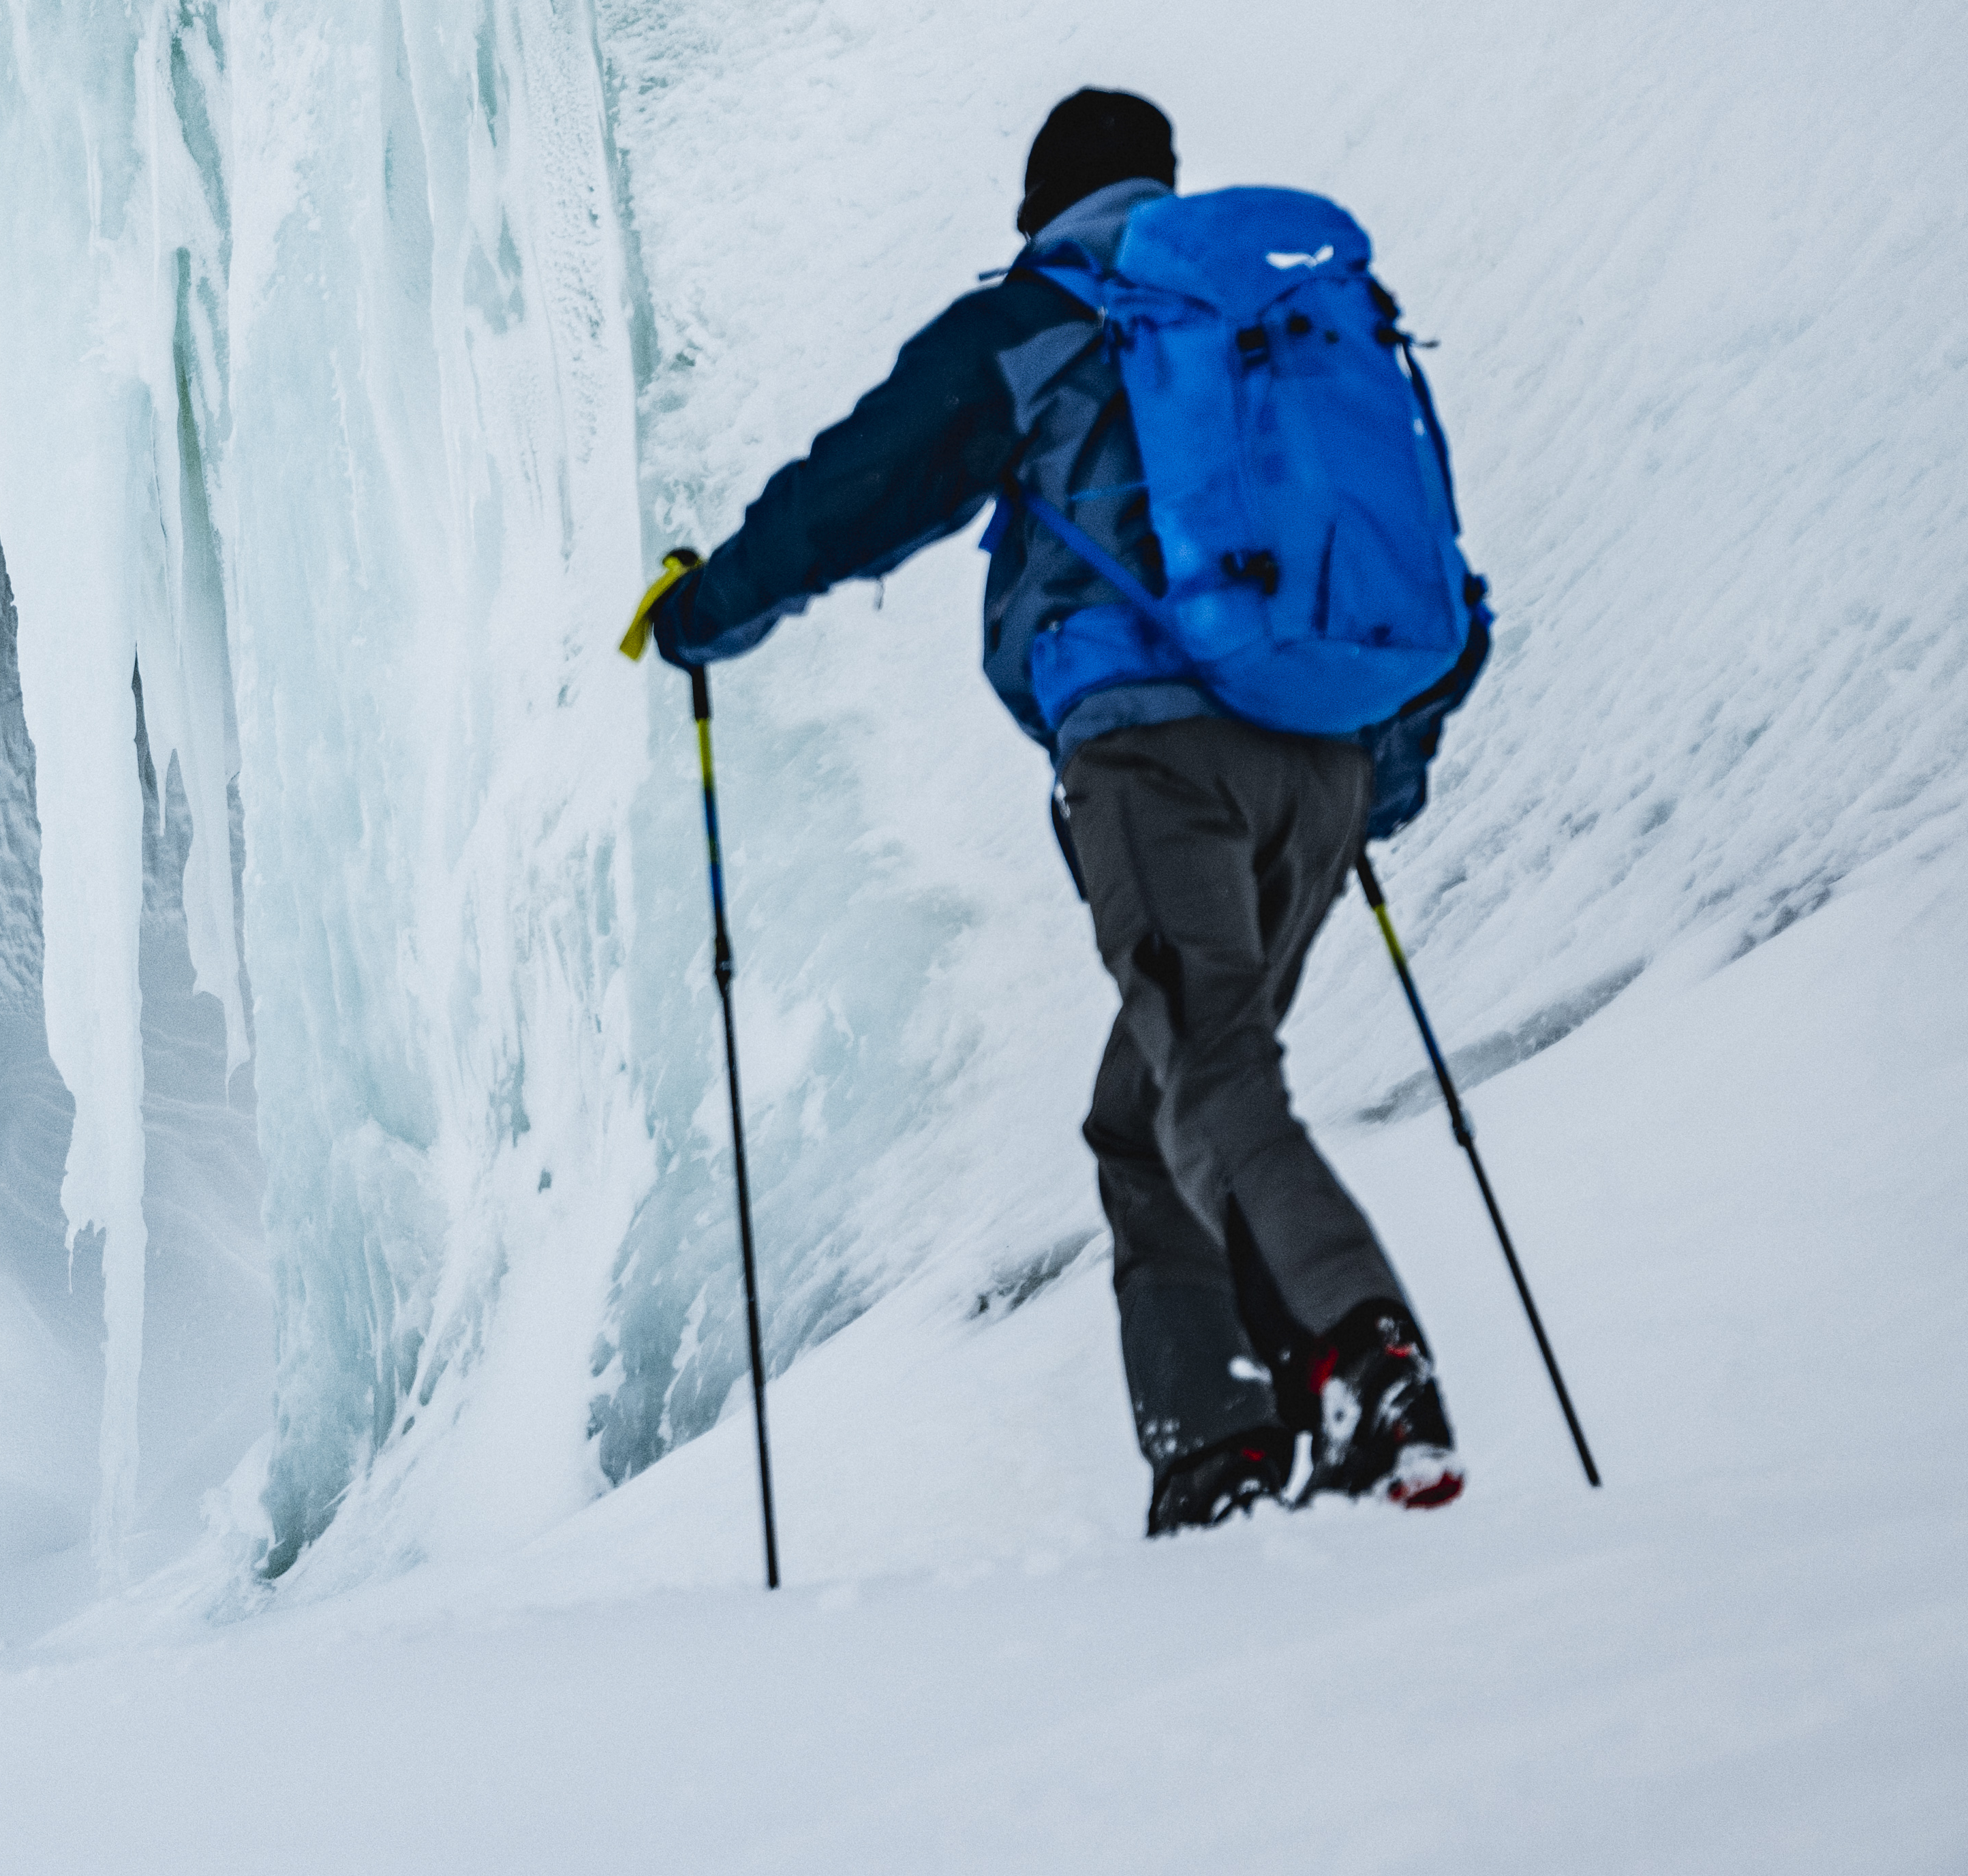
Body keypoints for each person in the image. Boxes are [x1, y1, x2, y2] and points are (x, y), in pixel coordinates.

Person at [628, 87, 1485, 1538]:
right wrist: (1372, 786)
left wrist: (704, 609)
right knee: (1148, 1108)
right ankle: (1215, 1444)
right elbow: (1428, 580)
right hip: (1320, 762)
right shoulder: (1275, 319)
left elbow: (856, 492)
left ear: (1037, 206)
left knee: (1209, 1076)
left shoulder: (1034, 319)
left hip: (1153, 760)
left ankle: (1362, 1356)